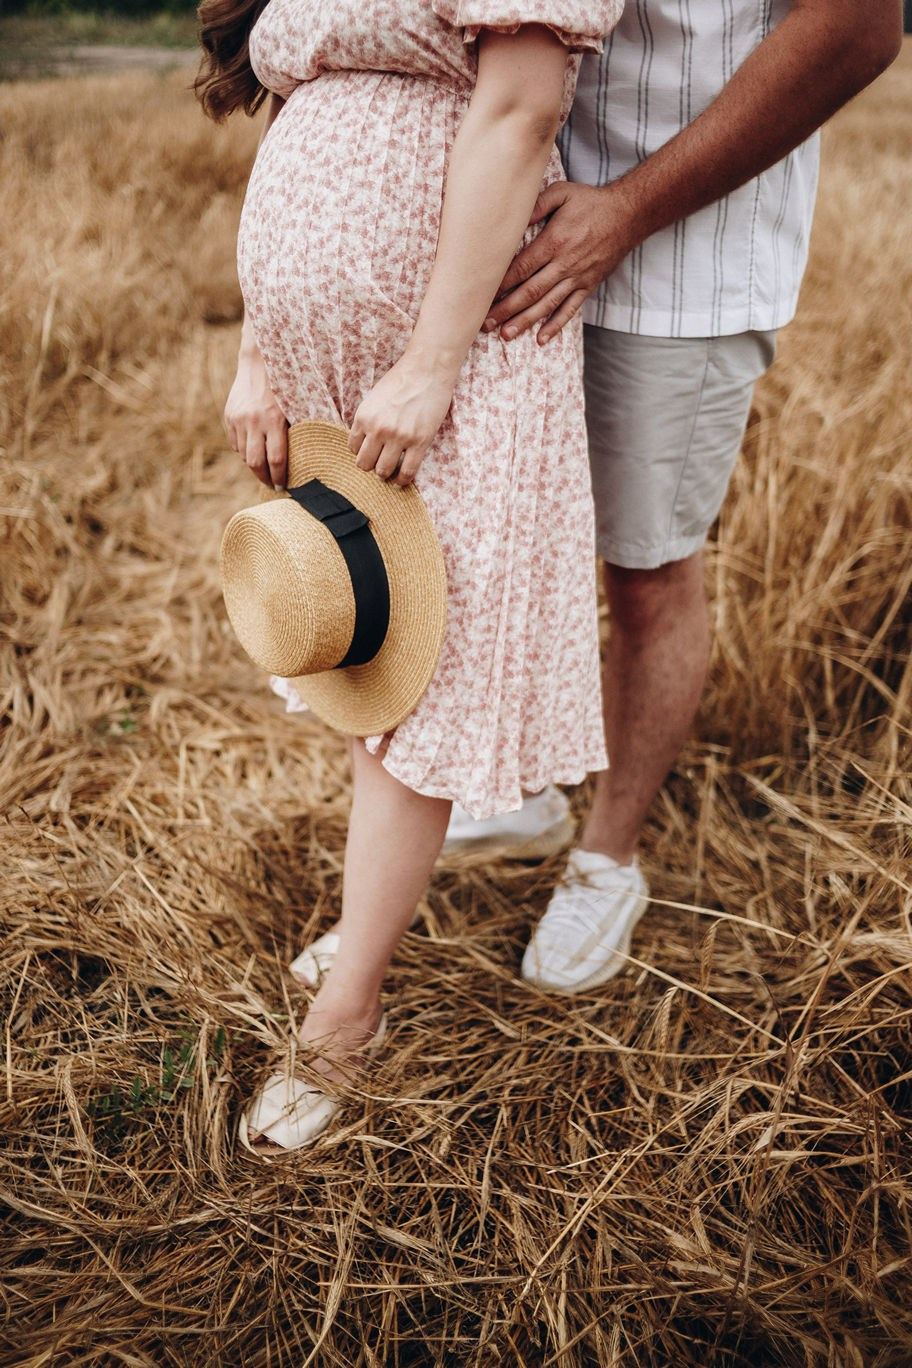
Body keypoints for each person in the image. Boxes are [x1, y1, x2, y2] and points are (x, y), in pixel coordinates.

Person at [195, 0, 624, 1155]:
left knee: (421, 668)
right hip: (329, 363)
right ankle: (369, 916)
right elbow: (294, 116)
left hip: (458, 351)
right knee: (364, 636)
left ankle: (351, 1011)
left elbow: (524, 103)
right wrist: (257, 352)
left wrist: (434, 362)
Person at [441, 0, 904, 994]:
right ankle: (521, 796)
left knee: (646, 570)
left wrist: (629, 208)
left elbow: (862, 27)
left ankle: (609, 857)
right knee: (498, 536)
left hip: (679, 250)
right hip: (514, 218)